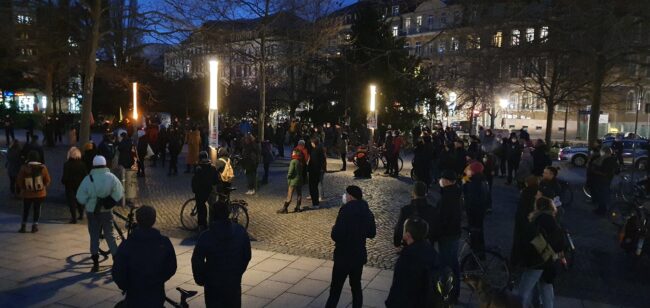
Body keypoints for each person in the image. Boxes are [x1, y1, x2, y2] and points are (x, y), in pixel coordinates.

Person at [112, 206, 177, 308]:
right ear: (154, 220)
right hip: (156, 293)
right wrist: (159, 280)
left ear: (137, 220)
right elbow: (171, 267)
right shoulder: (164, 242)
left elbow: (118, 271)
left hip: (134, 295)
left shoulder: (127, 245)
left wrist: (126, 286)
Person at [192, 201, 251, 308]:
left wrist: (201, 279)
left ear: (213, 215)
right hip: (233, 281)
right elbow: (246, 255)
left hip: (213, 282)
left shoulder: (206, 236)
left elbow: (197, 260)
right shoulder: (240, 231)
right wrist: (238, 272)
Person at [326, 186, 376, 308]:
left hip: (343, 256)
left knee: (335, 289)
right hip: (358, 255)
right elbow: (372, 233)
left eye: (346, 194)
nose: (345, 196)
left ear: (350, 196)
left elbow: (337, 234)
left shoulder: (345, 210)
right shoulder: (367, 211)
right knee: (356, 287)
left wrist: (334, 229)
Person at [76, 155, 124, 272]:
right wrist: (110, 201)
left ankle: (96, 263)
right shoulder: (111, 177)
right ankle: (116, 260)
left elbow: (80, 198)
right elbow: (120, 192)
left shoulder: (88, 178)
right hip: (107, 212)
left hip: (92, 212)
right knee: (110, 235)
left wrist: (89, 201)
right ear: (105, 164)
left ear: (93, 165)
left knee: (94, 236)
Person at [516, 197, 566, 308]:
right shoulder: (554, 221)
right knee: (546, 290)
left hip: (537, 261)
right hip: (549, 261)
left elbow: (528, 242)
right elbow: (560, 244)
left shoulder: (537, 220)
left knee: (523, 292)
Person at [386, 218, 440, 308]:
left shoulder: (407, 257)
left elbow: (399, 286)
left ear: (408, 234)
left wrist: (390, 303)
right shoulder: (431, 251)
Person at [436, 170, 462, 303]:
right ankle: (455, 293)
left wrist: (436, 233)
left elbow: (443, 218)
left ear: (446, 181)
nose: (440, 181)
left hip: (447, 235)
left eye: (442, 179)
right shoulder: (456, 193)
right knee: (453, 263)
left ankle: (447, 294)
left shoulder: (447, 196)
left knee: (445, 265)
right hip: (455, 233)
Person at [393, 181, 439, 247]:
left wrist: (397, 242)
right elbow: (436, 228)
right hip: (426, 245)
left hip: (409, 245)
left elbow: (399, 228)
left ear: (413, 193)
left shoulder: (406, 210)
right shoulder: (432, 210)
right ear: (426, 193)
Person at [17, 151, 51, 233]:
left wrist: (23, 188)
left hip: (27, 193)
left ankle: (23, 226)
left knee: (26, 209)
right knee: (37, 209)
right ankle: (34, 226)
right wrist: (44, 186)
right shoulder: (43, 167)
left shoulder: (24, 167)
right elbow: (48, 180)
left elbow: (19, 180)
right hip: (40, 193)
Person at [511, 175, 539, 268]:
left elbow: (522, 209)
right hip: (532, 221)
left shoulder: (526, 193)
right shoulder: (538, 192)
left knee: (519, 242)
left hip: (523, 221)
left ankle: (516, 262)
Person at [462, 161, 489, 253]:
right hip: (480, 211)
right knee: (479, 232)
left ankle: (475, 257)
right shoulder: (481, 180)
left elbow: (470, 198)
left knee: (475, 234)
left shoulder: (474, 183)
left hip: (474, 212)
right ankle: (480, 254)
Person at [192, 151, 219, 231]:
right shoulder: (213, 167)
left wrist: (195, 190)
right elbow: (215, 181)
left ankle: (202, 226)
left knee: (201, 208)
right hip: (211, 191)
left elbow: (195, 181)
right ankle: (212, 225)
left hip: (201, 192)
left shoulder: (198, 168)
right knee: (212, 208)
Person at [61, 147, 87, 223]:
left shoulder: (67, 164)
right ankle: (81, 214)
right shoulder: (82, 164)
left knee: (71, 201)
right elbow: (85, 175)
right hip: (80, 185)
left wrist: (64, 182)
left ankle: (74, 217)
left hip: (70, 185)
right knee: (80, 200)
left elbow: (65, 176)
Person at [591, 147, 619, 216]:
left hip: (602, 179)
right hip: (609, 179)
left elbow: (600, 170)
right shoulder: (614, 159)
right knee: (605, 194)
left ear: (604, 152)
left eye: (602, 152)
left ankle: (602, 210)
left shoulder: (604, 159)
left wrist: (595, 172)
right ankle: (604, 209)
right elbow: (617, 171)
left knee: (602, 195)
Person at [278, 149, 304, 214]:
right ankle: (298, 207)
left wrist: (288, 178)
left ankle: (285, 208)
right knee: (299, 194)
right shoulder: (300, 161)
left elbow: (290, 172)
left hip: (293, 181)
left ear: (295, 154)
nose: (292, 153)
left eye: (293, 153)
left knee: (289, 196)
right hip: (300, 180)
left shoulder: (293, 161)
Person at [307, 138, 326, 207]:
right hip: (317, 171)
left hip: (314, 171)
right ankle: (315, 202)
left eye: (311, 143)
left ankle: (315, 203)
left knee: (313, 187)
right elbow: (323, 160)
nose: (311, 144)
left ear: (314, 143)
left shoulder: (315, 151)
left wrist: (309, 168)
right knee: (315, 186)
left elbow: (314, 162)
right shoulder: (320, 149)